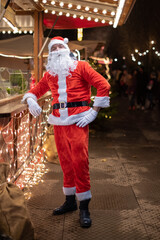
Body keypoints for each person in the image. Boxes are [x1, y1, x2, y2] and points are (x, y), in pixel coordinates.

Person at [22, 36, 111, 228]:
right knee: (65, 161)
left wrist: (93, 113)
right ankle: (70, 201)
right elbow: (35, 91)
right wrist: (30, 100)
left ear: (66, 48)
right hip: (58, 123)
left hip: (79, 120)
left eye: (60, 46)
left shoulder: (81, 66)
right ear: (50, 53)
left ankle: (84, 207)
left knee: (80, 160)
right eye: (53, 48)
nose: (57, 49)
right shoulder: (50, 74)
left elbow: (103, 85)